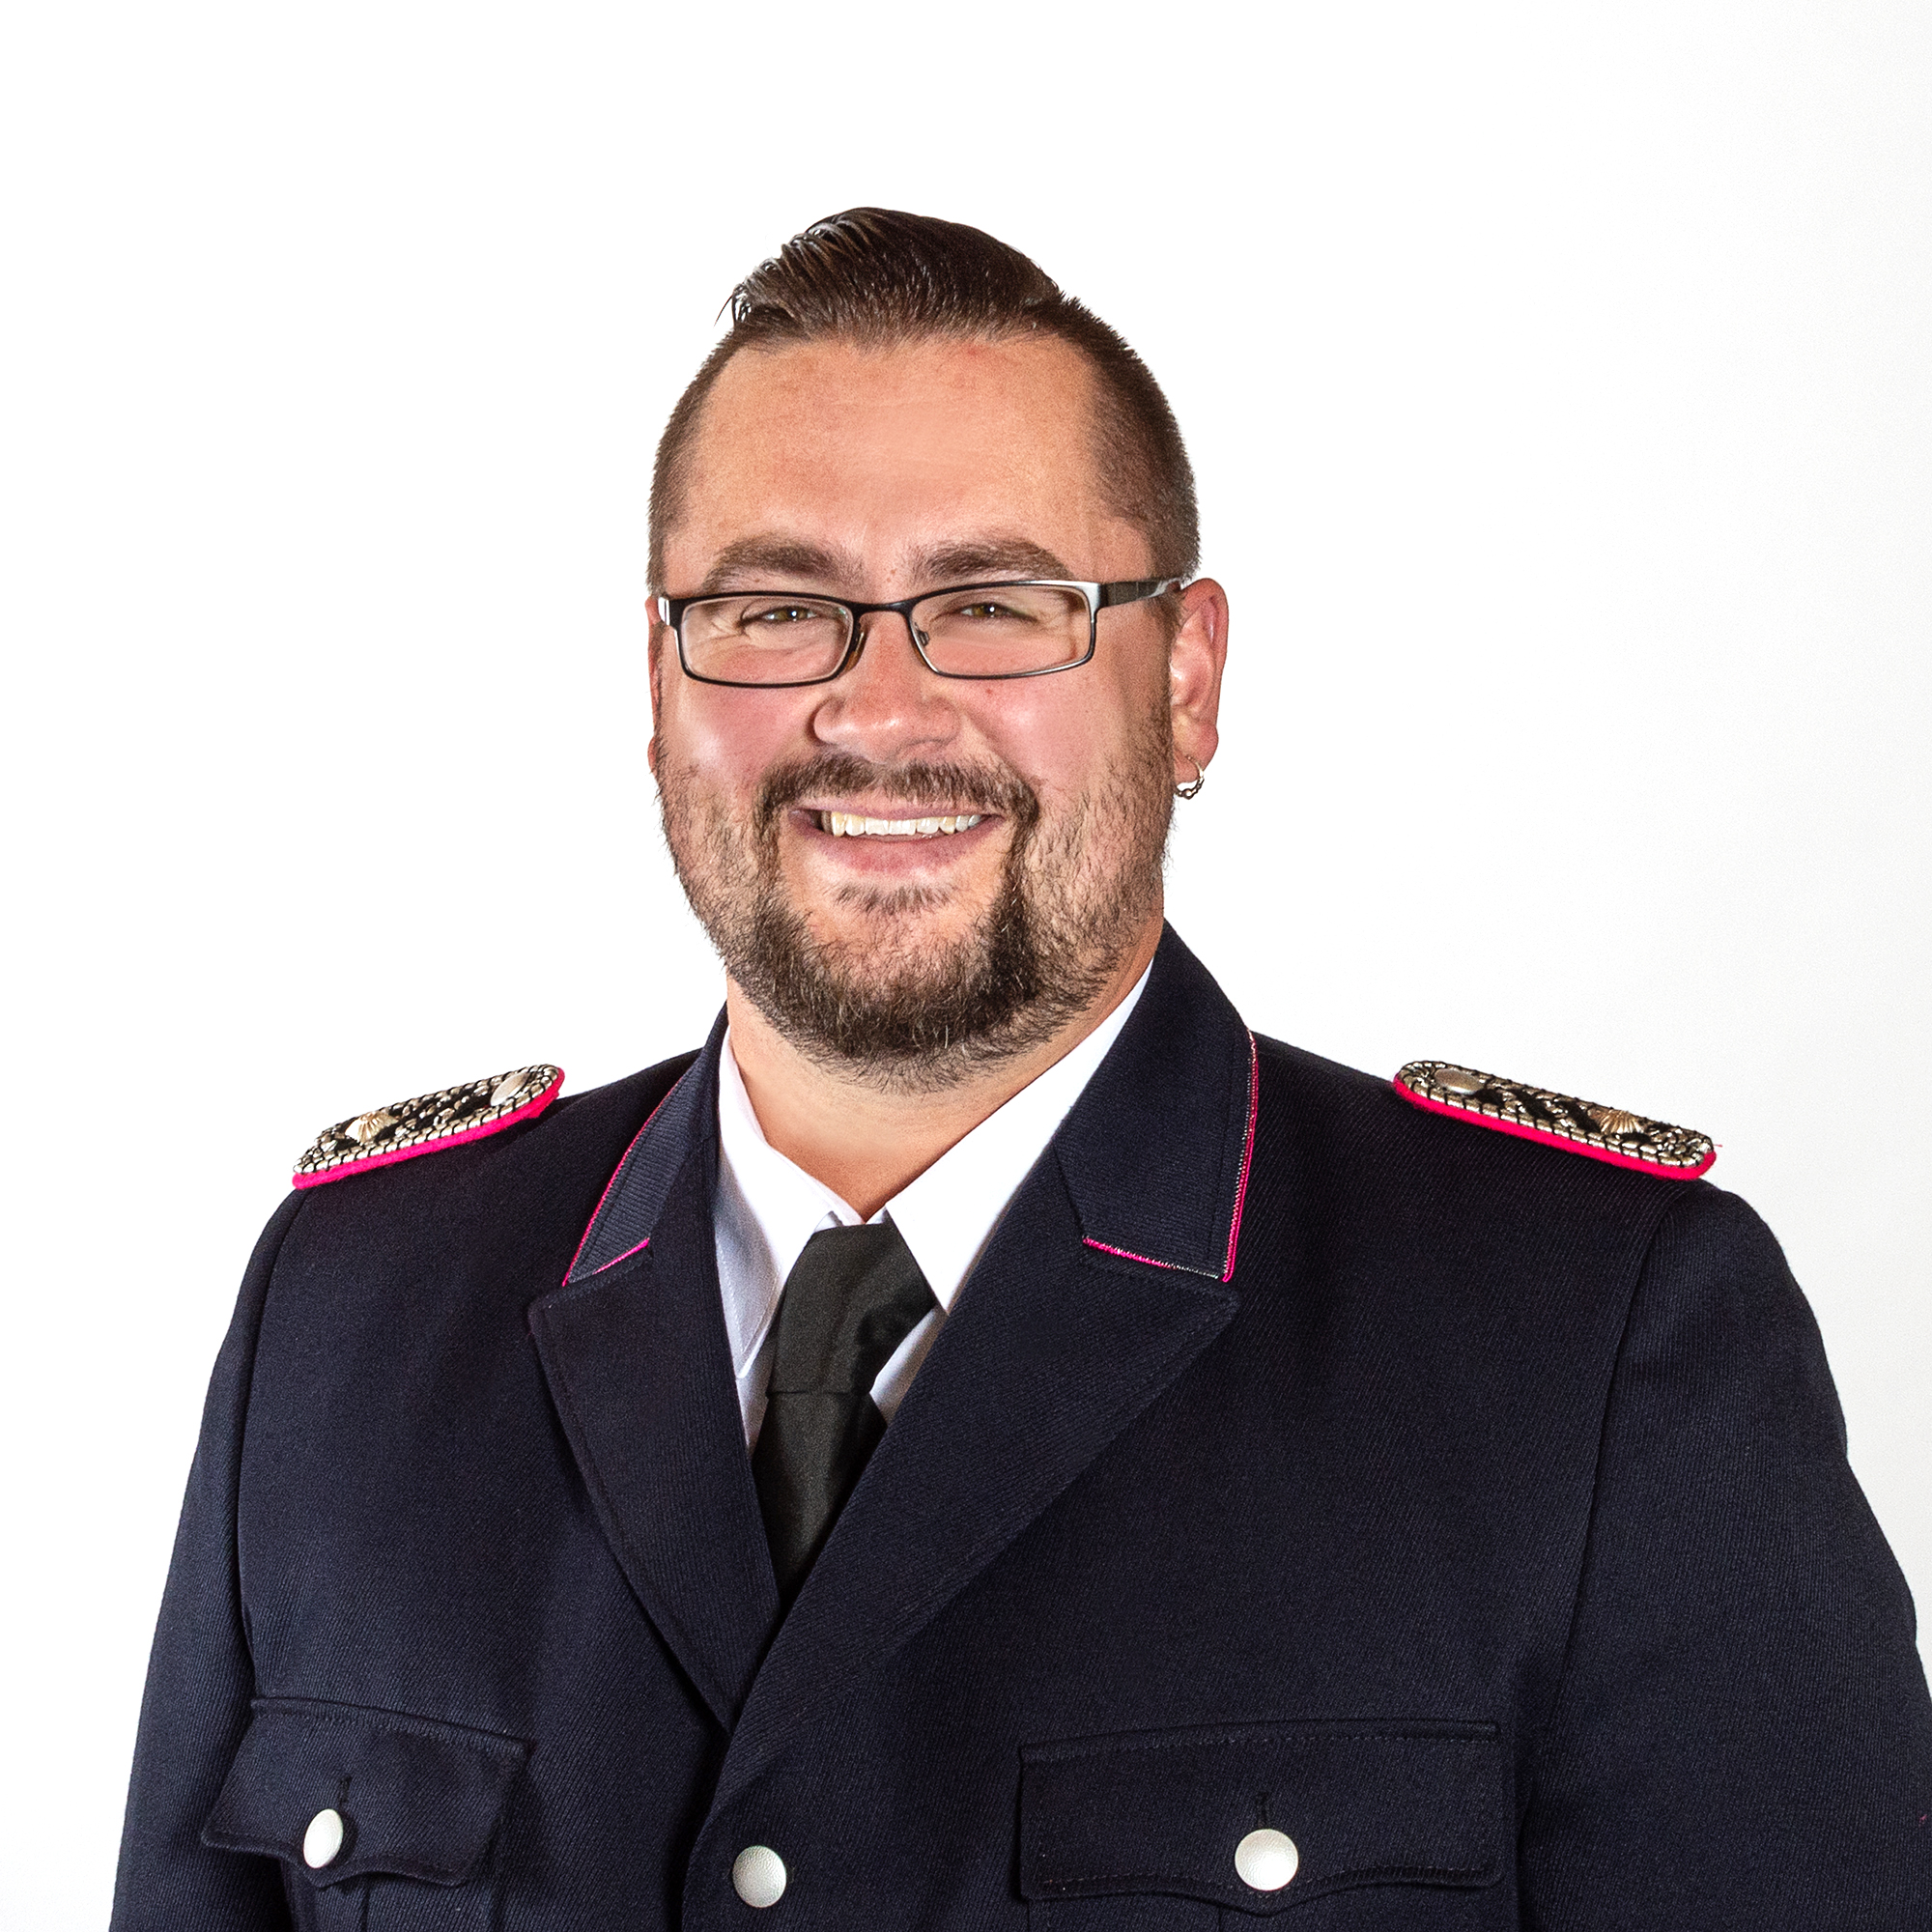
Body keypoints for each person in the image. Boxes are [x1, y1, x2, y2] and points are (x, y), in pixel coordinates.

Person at [112, 209, 1931, 1931]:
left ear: (1186, 679)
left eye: (995, 602)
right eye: (772, 608)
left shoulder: (1592, 1341)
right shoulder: (350, 1317)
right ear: (658, 688)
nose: (876, 710)